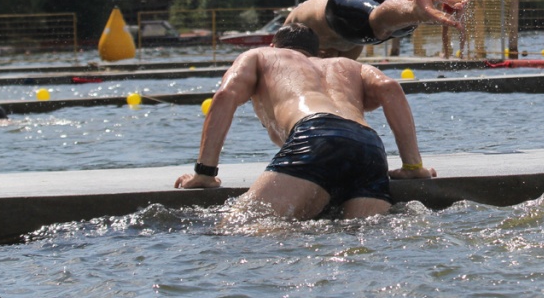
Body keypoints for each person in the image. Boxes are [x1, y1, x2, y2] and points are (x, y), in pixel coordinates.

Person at [174, 23, 436, 220]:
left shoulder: (260, 55)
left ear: (274, 46)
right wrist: (413, 166)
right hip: (369, 147)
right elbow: (391, 88)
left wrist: (204, 173)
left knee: (238, 229)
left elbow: (224, 96)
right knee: (360, 237)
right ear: (317, 52)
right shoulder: (348, 65)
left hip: (316, 136)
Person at [284, 0, 470, 59]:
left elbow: (287, 63)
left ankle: (416, 10)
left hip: (338, 6)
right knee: (400, 16)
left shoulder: (286, 42)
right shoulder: (345, 47)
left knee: (378, 25)